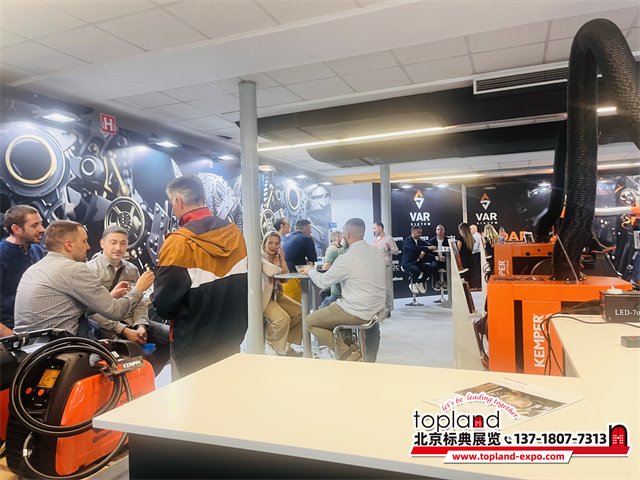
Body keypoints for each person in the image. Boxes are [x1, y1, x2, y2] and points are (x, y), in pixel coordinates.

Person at [153, 174, 248, 378]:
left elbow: (164, 305)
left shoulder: (178, 243)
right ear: (202, 198)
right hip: (231, 337)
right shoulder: (235, 235)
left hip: (193, 344)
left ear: (178, 202)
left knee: (194, 396)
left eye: (172, 203)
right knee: (229, 390)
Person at [14, 220, 154, 337]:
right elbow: (116, 312)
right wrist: (139, 289)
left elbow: (66, 309)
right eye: (84, 241)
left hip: (29, 351)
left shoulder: (33, 270)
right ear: (69, 245)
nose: (88, 247)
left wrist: (109, 297)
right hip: (59, 349)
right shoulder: (76, 269)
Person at [87, 226, 170, 372]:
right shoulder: (89, 270)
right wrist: (124, 330)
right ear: (102, 243)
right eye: (113, 242)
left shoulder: (132, 269)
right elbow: (91, 313)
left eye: (123, 243)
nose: (118, 248)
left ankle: (150, 374)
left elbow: (139, 302)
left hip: (132, 322)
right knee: (134, 357)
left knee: (172, 338)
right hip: (108, 328)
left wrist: (141, 325)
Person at [303, 218, 385, 361]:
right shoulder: (376, 252)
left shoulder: (346, 258)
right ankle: (354, 350)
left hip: (357, 310)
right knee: (336, 305)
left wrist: (310, 271)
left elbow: (323, 282)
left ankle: (349, 355)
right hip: (378, 308)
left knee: (310, 321)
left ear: (347, 235)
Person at [0, 205, 45, 336]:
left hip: (35, 328)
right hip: (11, 332)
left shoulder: (37, 250)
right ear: (16, 229)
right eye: (34, 225)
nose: (42, 229)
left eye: (41, 224)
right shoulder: (1, 255)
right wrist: (12, 337)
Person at [261, 232, 303, 356]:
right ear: (264, 243)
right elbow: (271, 271)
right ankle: (271, 342)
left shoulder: (277, 258)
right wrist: (281, 270)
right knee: (282, 319)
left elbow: (285, 279)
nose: (273, 246)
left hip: (276, 294)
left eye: (277, 243)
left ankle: (284, 344)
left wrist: (283, 260)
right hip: (264, 297)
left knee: (299, 311)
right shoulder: (260, 256)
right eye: (270, 242)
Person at [282, 219, 316, 303]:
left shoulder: (288, 237)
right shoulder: (307, 238)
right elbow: (313, 259)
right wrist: (307, 261)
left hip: (284, 276)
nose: (311, 232)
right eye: (310, 229)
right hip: (295, 276)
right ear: (305, 229)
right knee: (296, 305)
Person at [372, 221, 399, 313]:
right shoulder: (375, 239)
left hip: (385, 266)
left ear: (380, 228)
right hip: (376, 267)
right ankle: (380, 307)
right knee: (378, 288)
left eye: (375, 228)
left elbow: (396, 251)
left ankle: (388, 309)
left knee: (387, 288)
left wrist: (389, 249)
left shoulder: (389, 238)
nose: (374, 230)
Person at [401, 226, 433, 294]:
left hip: (417, 263)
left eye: (421, 232)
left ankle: (420, 282)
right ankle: (412, 284)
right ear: (413, 232)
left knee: (429, 268)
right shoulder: (407, 241)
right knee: (416, 270)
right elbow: (414, 248)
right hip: (407, 264)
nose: (420, 234)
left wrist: (423, 252)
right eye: (419, 232)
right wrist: (427, 248)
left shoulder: (420, 241)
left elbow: (429, 245)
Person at [428, 224, 448, 290]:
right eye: (438, 229)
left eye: (441, 229)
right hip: (435, 260)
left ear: (444, 231)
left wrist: (445, 257)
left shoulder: (448, 240)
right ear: (436, 231)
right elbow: (428, 253)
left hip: (445, 260)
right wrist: (435, 257)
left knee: (449, 266)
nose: (440, 231)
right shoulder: (432, 241)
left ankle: (446, 282)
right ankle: (437, 282)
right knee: (433, 266)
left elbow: (451, 251)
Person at [456, 223, 476, 288]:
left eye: (459, 229)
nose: (459, 231)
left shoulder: (460, 239)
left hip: (463, 261)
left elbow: (457, 252)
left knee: (463, 279)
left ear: (462, 230)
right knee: (469, 278)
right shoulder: (471, 239)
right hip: (470, 260)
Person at [470, 224, 483, 290]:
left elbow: (474, 248)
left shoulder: (476, 236)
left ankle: (477, 285)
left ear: (475, 229)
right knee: (477, 270)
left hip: (476, 255)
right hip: (477, 254)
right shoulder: (478, 236)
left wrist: (469, 251)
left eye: (471, 229)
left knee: (476, 270)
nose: (470, 230)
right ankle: (478, 285)